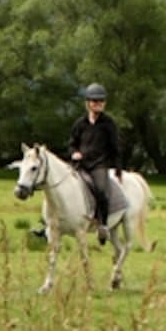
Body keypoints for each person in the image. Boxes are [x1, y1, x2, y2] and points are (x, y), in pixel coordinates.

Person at [69, 83, 123, 245]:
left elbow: (116, 146)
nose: (97, 104)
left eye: (101, 101)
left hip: (99, 165)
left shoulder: (108, 124)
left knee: (101, 191)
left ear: (104, 103)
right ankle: (46, 224)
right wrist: (74, 153)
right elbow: (72, 143)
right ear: (88, 103)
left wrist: (119, 169)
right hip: (80, 165)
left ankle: (103, 226)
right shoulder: (80, 124)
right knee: (60, 186)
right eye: (94, 101)